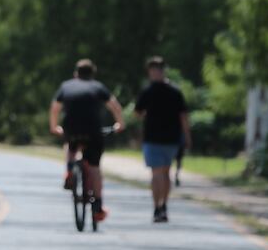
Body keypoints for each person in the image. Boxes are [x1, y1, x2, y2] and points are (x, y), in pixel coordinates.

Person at [49, 59, 125, 224]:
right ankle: (97, 207)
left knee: (70, 144)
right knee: (95, 167)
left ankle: (69, 170)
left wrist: (54, 127)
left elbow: (55, 107)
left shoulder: (66, 86)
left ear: (76, 73)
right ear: (92, 74)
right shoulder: (97, 87)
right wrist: (120, 124)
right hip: (92, 130)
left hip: (71, 128)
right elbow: (115, 106)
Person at [135, 56, 191, 223]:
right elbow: (184, 117)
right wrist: (187, 136)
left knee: (157, 173)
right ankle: (163, 205)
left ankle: (157, 207)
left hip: (154, 138)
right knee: (165, 173)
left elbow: (137, 113)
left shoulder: (147, 91)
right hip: (171, 138)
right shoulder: (175, 91)